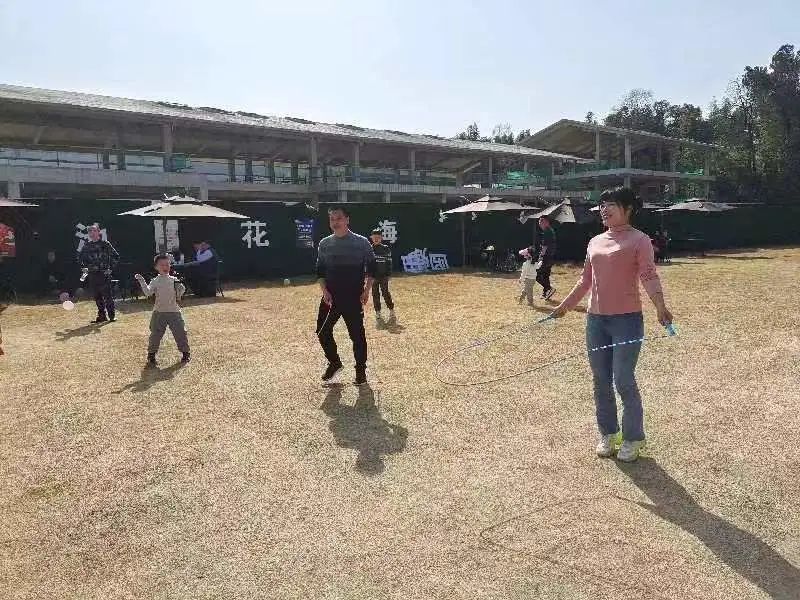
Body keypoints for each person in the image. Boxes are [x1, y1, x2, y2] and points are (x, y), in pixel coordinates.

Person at [551, 187, 673, 463]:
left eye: (611, 204)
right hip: (596, 321)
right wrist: (565, 306)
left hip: (627, 321)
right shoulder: (594, 241)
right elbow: (585, 280)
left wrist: (660, 306)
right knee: (601, 380)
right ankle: (609, 433)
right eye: (602, 205)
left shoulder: (639, 240)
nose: (604, 209)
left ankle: (633, 438)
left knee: (623, 379)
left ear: (628, 209)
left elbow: (648, 275)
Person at [316, 206, 376, 385]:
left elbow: (372, 269)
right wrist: (325, 291)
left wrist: (366, 291)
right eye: (332, 219)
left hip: (353, 297)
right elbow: (320, 271)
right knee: (322, 332)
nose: (335, 222)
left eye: (339, 218)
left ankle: (360, 372)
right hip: (331, 298)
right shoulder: (325, 244)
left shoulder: (361, 242)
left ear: (347, 219)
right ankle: (335, 363)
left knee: (357, 336)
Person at [135, 254, 191, 365]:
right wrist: (142, 281)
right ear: (156, 267)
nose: (165, 267)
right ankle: (151, 355)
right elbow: (148, 292)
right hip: (159, 312)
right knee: (155, 335)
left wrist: (181, 289)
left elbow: (181, 292)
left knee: (180, 333)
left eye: (167, 264)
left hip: (174, 312)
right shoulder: (155, 281)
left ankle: (185, 353)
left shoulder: (174, 280)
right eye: (162, 265)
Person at [78, 224, 120, 323]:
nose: (92, 233)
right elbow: (80, 259)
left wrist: (111, 269)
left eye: (94, 231)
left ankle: (112, 316)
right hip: (92, 274)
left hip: (104, 274)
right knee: (97, 297)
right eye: (90, 231)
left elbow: (116, 256)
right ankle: (102, 316)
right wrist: (84, 268)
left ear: (98, 232)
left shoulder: (105, 244)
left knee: (108, 296)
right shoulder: (87, 246)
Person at [369, 227, 396, 325]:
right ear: (371, 238)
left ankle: (392, 311)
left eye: (378, 237)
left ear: (381, 238)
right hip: (373, 277)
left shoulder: (385, 248)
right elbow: (367, 264)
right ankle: (378, 313)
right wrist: (368, 276)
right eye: (374, 237)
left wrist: (389, 274)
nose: (376, 239)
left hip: (384, 276)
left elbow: (389, 262)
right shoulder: (369, 249)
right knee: (375, 294)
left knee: (385, 293)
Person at [536, 215, 557, 300]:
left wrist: (541, 257)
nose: (540, 224)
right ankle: (546, 293)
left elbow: (545, 246)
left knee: (536, 274)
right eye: (539, 222)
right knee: (545, 275)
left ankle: (549, 288)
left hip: (546, 257)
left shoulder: (547, 231)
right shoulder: (551, 230)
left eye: (542, 222)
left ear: (547, 222)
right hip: (550, 256)